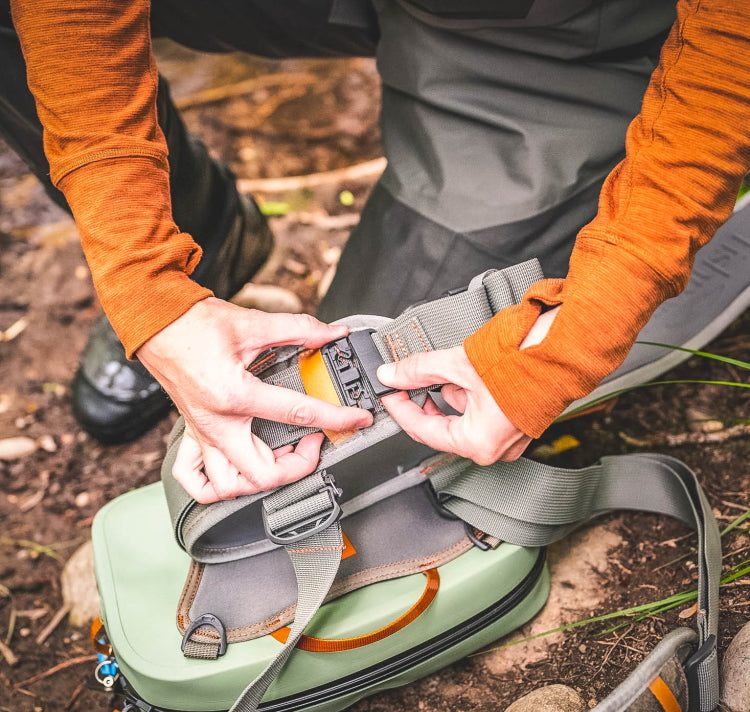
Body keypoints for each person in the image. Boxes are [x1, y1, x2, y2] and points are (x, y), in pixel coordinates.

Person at [5, 0, 750, 503]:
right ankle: (204, 229)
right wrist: (146, 277)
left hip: (549, 29)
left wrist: (584, 327)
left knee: (351, 458)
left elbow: (730, 43)